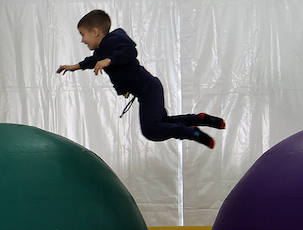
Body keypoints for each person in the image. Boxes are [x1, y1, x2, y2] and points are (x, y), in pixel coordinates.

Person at [57, 9, 224, 148]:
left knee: (151, 131)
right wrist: (73, 67)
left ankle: (191, 132)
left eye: (83, 34)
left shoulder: (115, 40)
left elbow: (129, 52)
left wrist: (109, 61)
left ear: (95, 32)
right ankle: (202, 119)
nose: (82, 40)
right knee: (163, 122)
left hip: (148, 89)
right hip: (149, 89)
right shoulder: (101, 51)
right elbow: (91, 61)